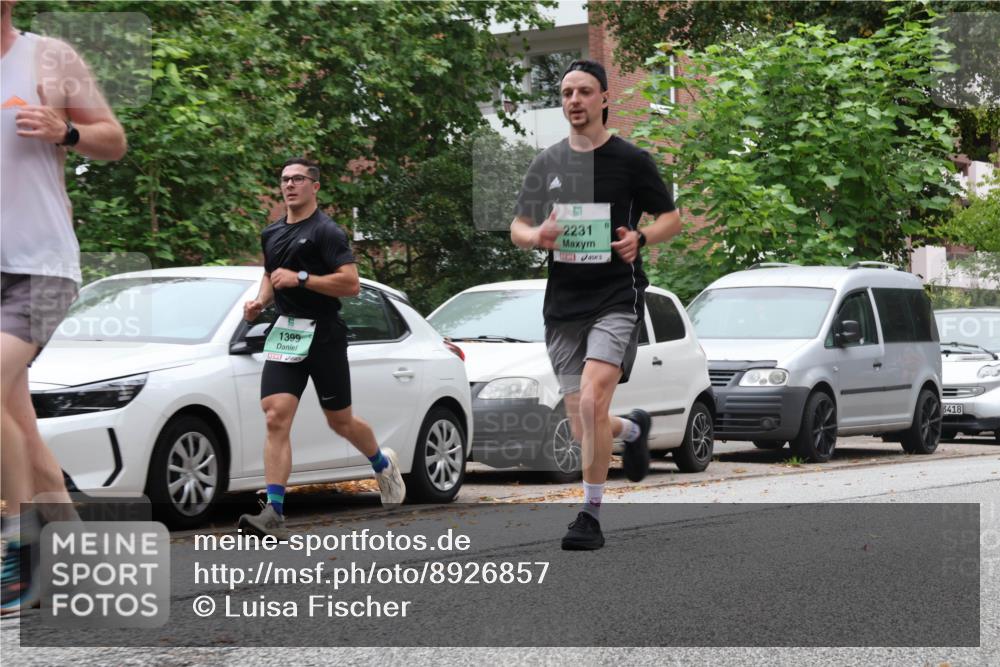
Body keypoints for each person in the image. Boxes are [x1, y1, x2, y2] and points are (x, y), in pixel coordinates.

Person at [510, 60, 681, 550]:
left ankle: (589, 513)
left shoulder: (631, 161)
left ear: (605, 98)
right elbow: (518, 226)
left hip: (616, 296)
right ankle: (632, 429)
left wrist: (641, 237)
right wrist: (536, 235)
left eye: (584, 92)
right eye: (566, 93)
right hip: (563, 303)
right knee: (582, 419)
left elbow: (672, 219)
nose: (574, 101)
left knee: (590, 400)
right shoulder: (547, 164)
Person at [1, 0, 127, 614]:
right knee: (18, 424)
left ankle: (16, 556)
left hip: (40, 267)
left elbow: (114, 140)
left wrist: (68, 132)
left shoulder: (49, 57)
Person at [238, 157, 405, 539]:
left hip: (324, 334)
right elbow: (270, 273)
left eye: (298, 179)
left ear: (315, 186)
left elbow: (350, 285)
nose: (290, 185)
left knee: (339, 420)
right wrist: (260, 302)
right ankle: (274, 513)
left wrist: (300, 278)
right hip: (286, 333)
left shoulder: (328, 232)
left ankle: (381, 464)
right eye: (284, 179)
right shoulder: (272, 233)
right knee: (275, 415)